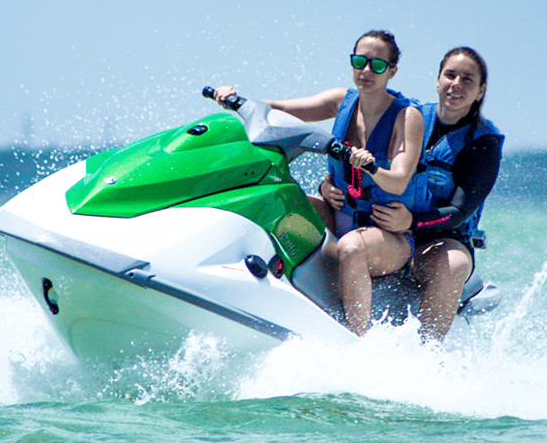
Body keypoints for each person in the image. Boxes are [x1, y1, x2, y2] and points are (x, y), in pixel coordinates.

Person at [213, 30, 424, 336]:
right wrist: (234, 100)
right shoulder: (341, 101)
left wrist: (372, 167)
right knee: (279, 201)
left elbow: (399, 182)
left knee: (351, 248)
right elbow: (276, 108)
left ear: (392, 70)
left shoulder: (408, 116)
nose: (366, 71)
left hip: (388, 234)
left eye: (377, 65)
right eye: (359, 61)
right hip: (340, 214)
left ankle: (356, 341)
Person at [371, 46, 504, 342]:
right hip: (389, 229)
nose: (456, 84)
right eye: (450, 75)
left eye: (467, 79)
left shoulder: (484, 143)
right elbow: (364, 163)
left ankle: (428, 355)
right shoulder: (408, 117)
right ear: (437, 80)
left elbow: (459, 212)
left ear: (480, 91)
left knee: (455, 263)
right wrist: (329, 185)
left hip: (439, 241)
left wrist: (412, 222)